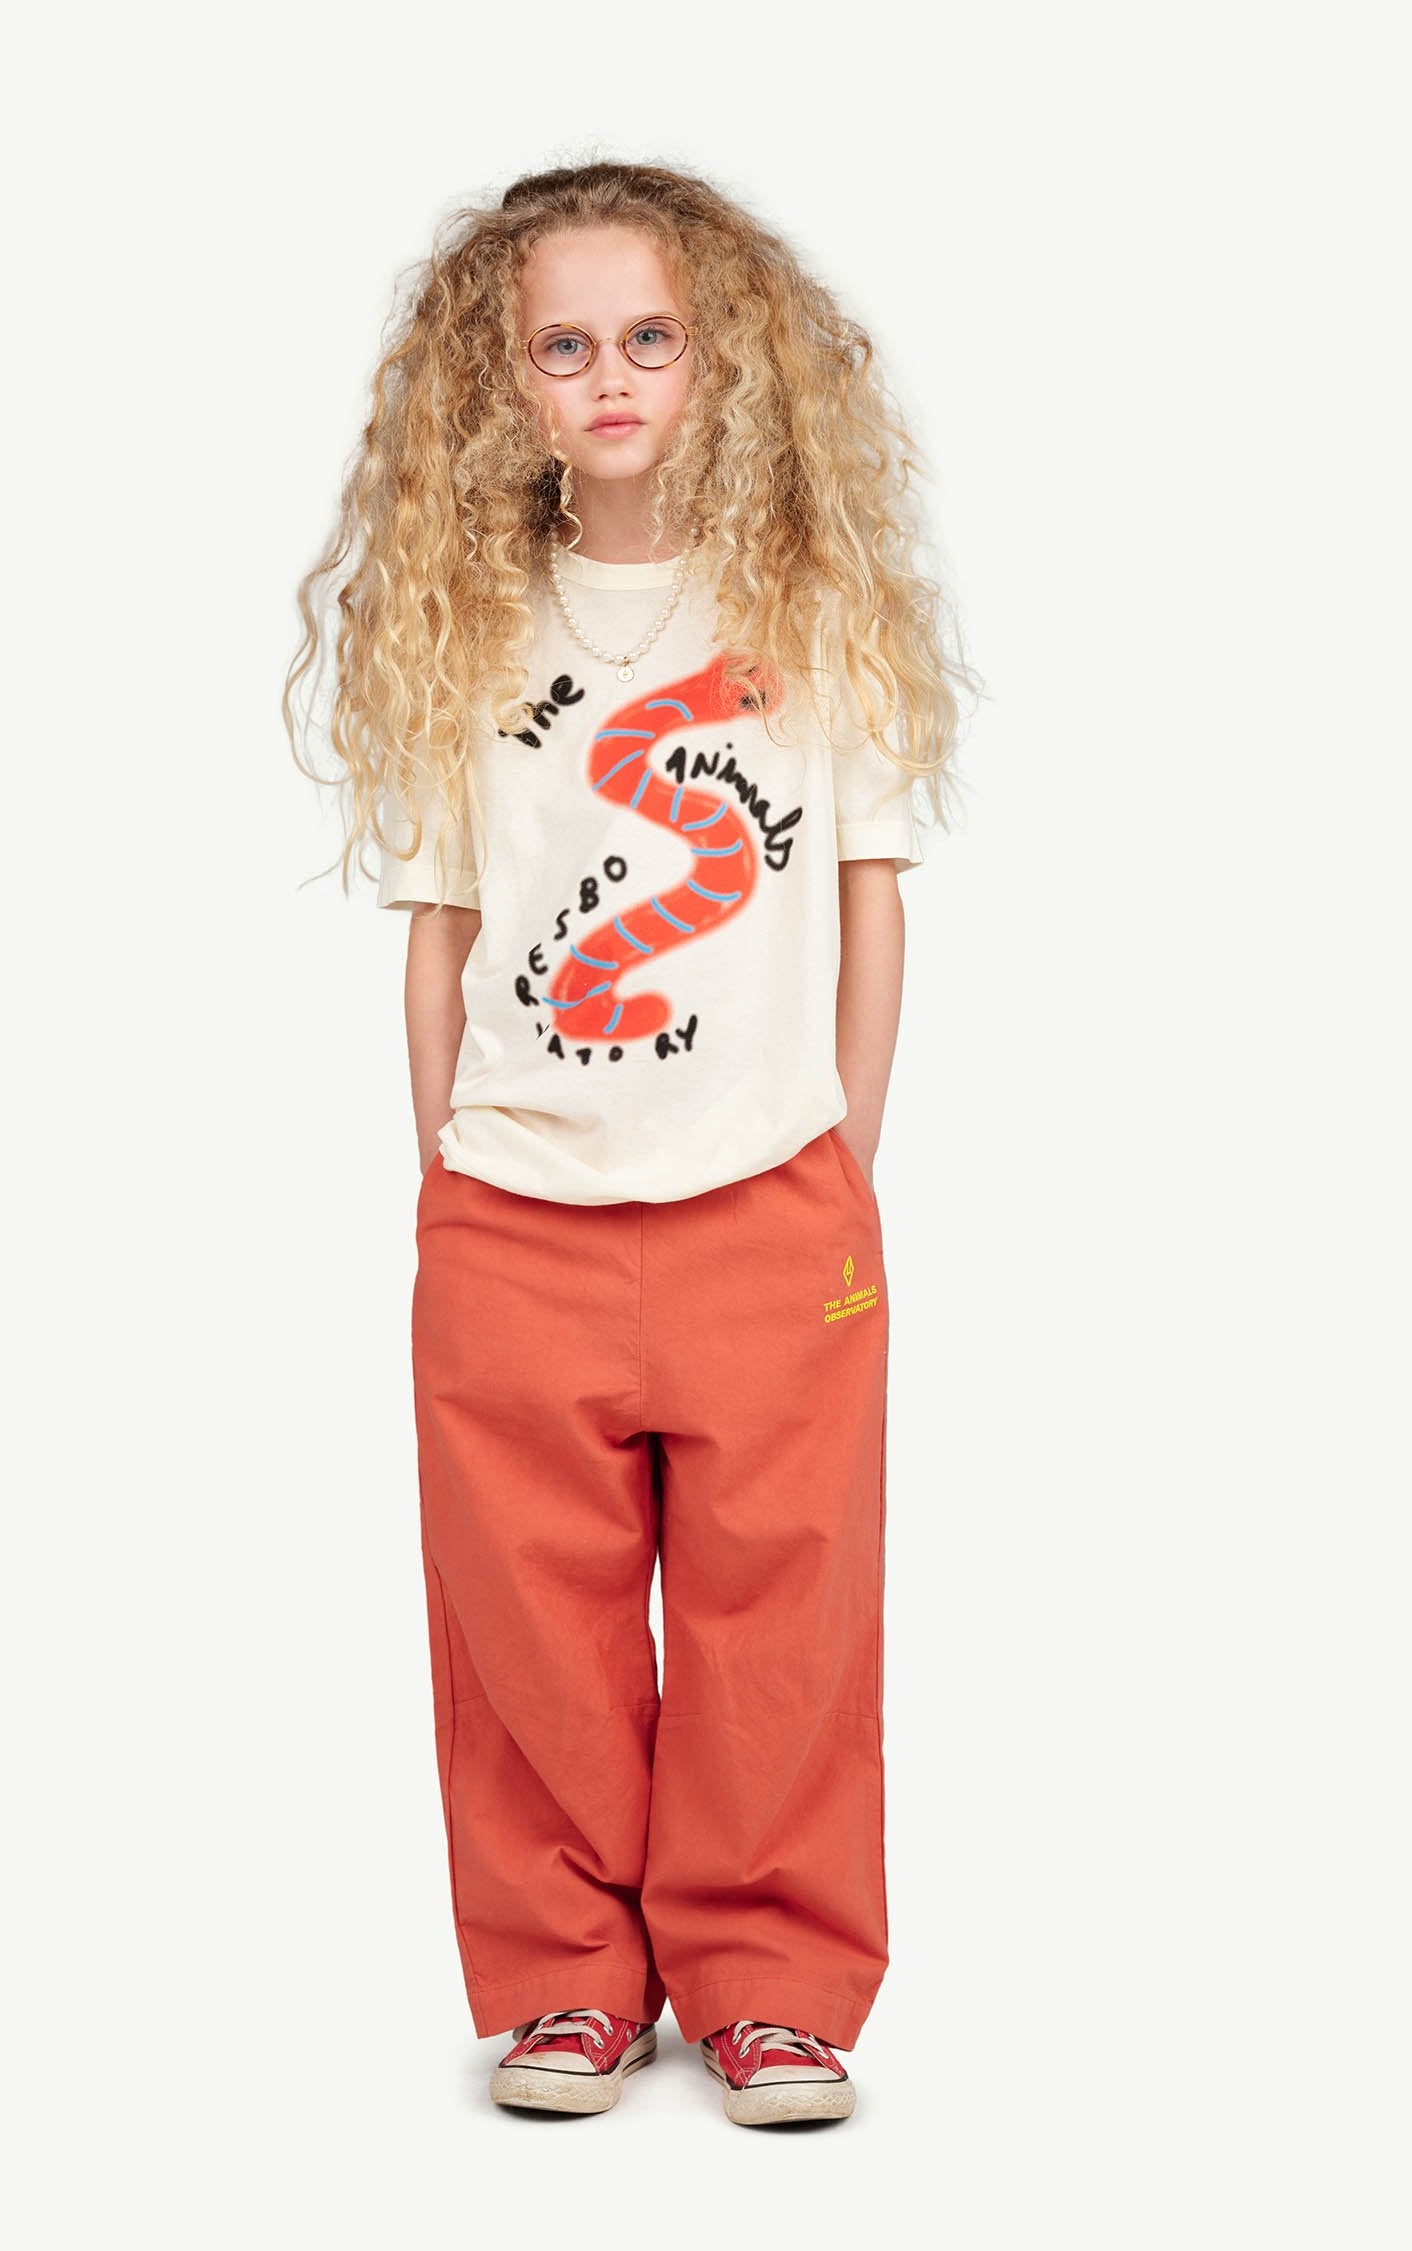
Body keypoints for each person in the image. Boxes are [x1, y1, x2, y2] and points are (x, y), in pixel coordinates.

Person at [285, 158, 971, 2127]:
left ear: (721, 358)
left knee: (787, 1617)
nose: (609, 378)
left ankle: (774, 1985)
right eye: (563, 345)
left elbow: (868, 901)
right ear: (500, 381)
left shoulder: (811, 611)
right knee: (526, 1623)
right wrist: (449, 1180)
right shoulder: (463, 626)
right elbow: (441, 936)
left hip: (773, 1202)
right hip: (518, 1214)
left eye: (650, 338)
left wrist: (842, 1160)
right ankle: (565, 1978)